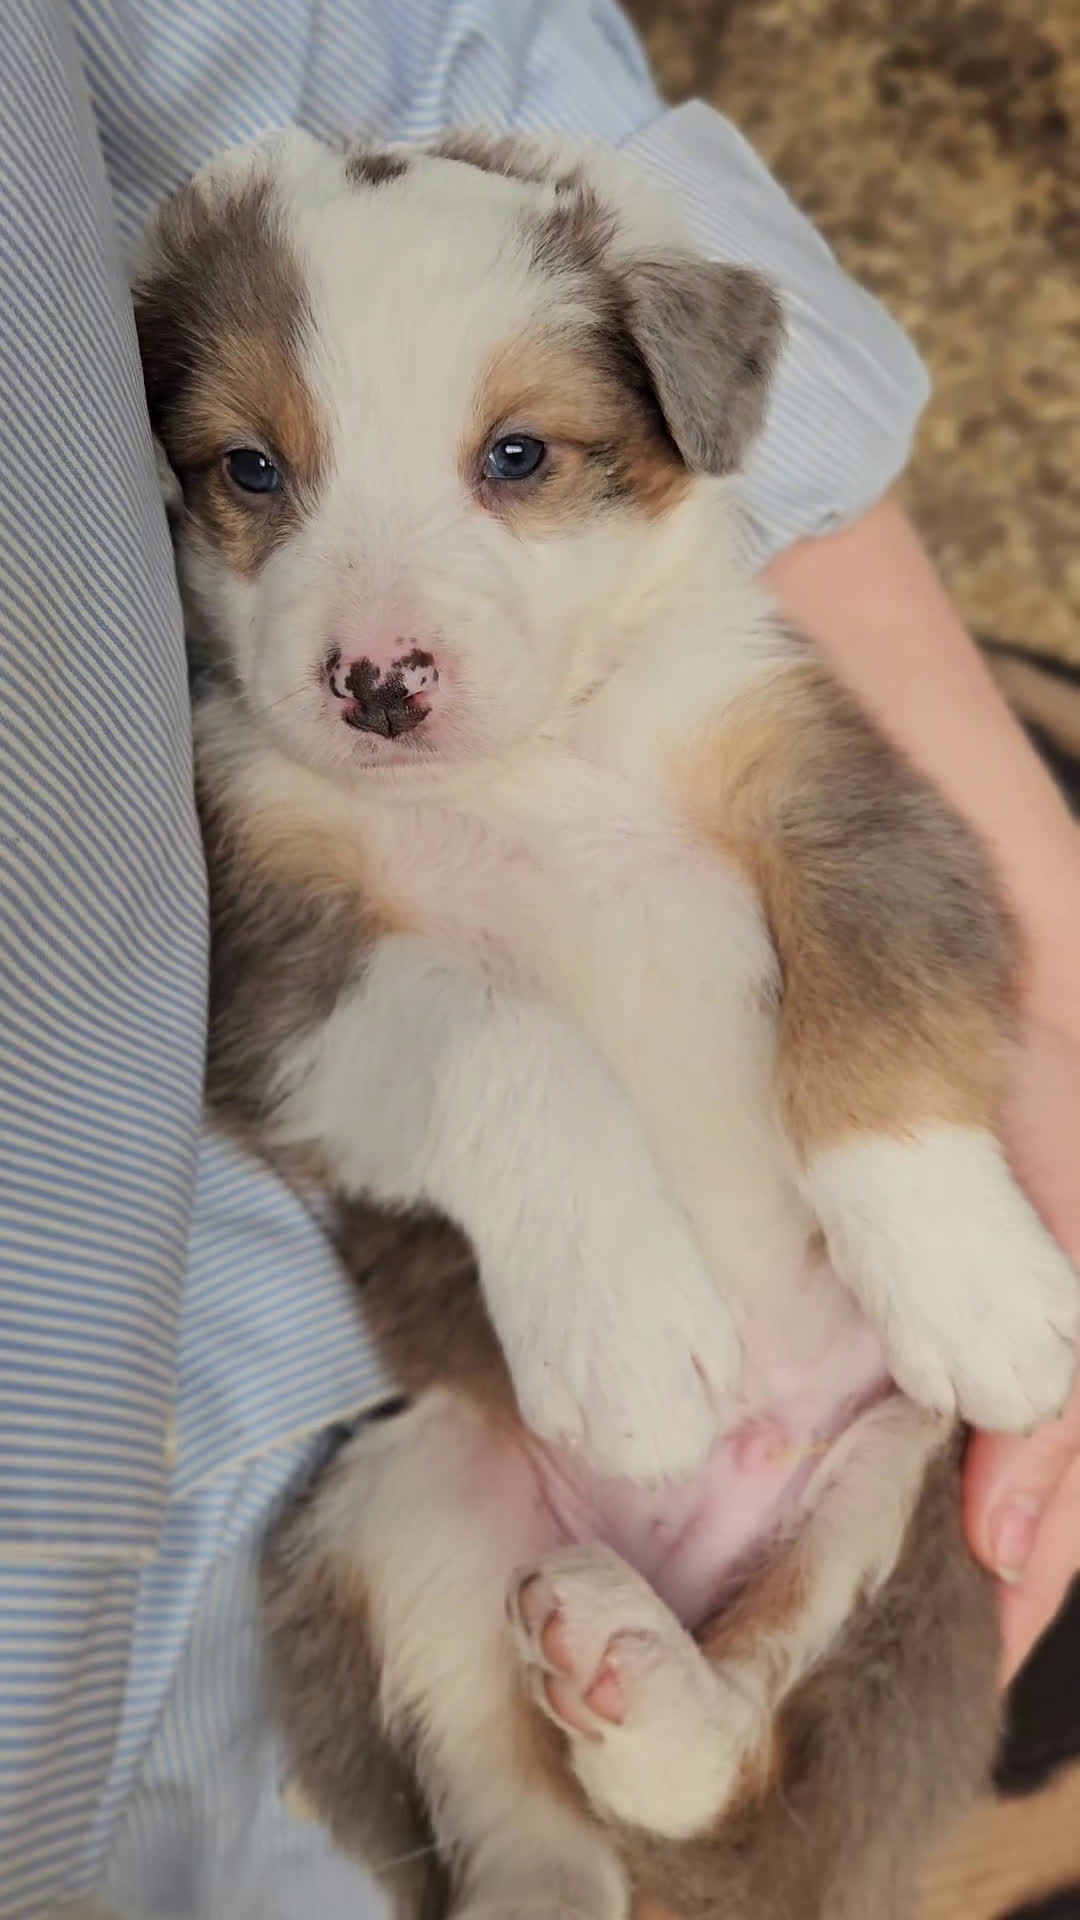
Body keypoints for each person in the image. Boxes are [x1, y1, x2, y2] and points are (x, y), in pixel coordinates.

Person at [0, 2, 1076, 1914]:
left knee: (940, 1534)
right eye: (257, 478)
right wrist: (523, 1126)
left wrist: (928, 1132)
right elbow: (306, 1034)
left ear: (666, 424)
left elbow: (881, 878)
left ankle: (725, 1770)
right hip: (329, 1533)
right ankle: (525, 1850)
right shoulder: (267, 759)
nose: (377, 633)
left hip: (845, 1371)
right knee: (404, 1558)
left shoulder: (689, 630)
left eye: (517, 458)